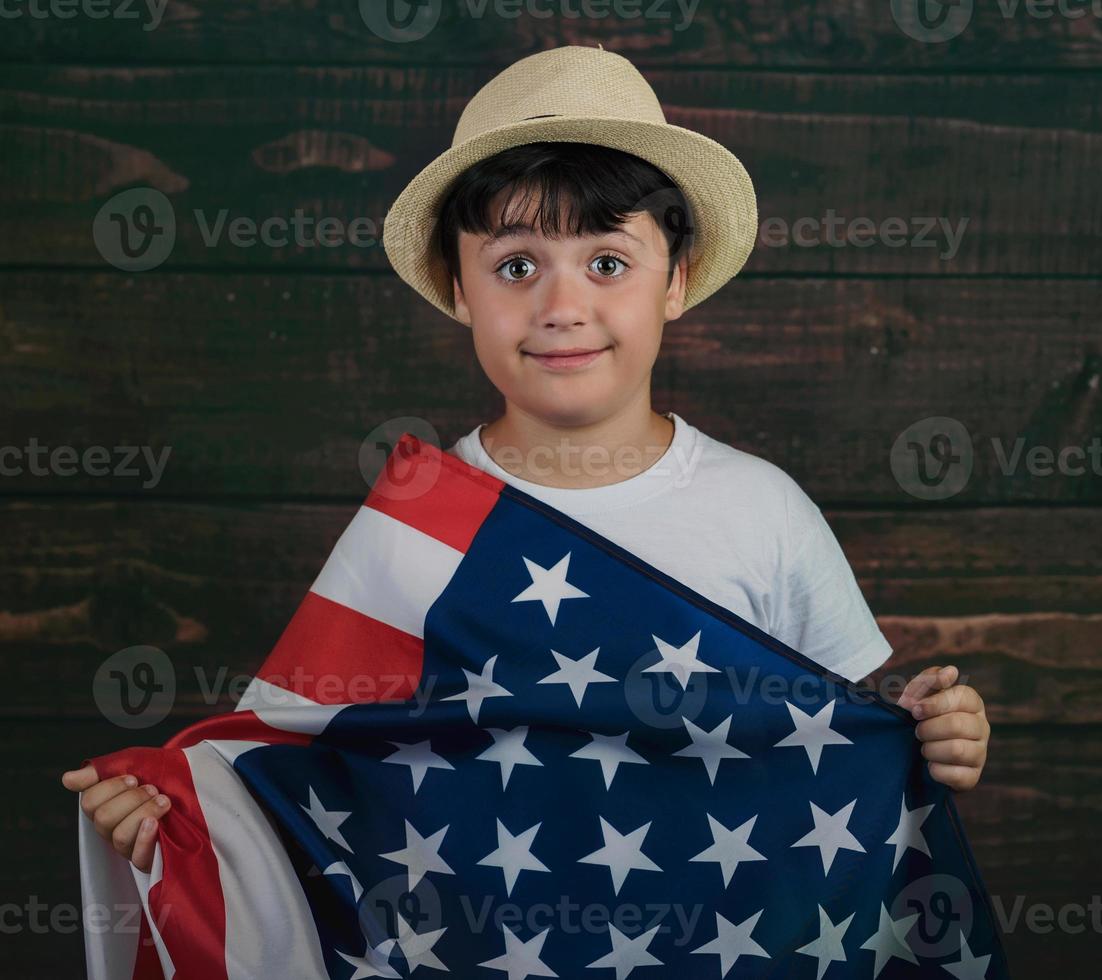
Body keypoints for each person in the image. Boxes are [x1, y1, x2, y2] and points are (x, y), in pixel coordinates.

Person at [61, 44, 990, 878]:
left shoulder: (761, 509)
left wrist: (931, 733)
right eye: (515, 266)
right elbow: (287, 756)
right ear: (457, 289)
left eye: (608, 262)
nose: (561, 304)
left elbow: (851, 732)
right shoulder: (419, 525)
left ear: (676, 281)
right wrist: (172, 809)